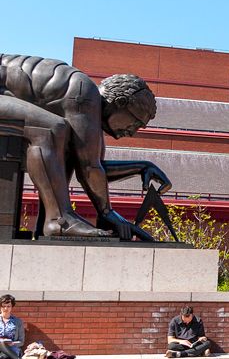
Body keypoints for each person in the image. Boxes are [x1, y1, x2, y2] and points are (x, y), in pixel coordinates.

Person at [0, 55, 169, 239]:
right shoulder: (85, 94)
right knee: (50, 129)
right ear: (120, 102)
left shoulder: (87, 111)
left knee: (65, 144)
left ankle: (49, 222)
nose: (132, 132)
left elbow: (92, 167)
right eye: (134, 123)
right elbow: (89, 167)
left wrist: (141, 167)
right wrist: (108, 213)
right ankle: (58, 220)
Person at [0, 294, 29, 359]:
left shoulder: (18, 322)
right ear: (0, 307)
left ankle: (5, 358)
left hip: (12, 349)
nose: (6, 308)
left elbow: (21, 341)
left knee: (3, 357)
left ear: (12, 307)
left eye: (8, 306)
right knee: (1, 342)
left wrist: (12, 343)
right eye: (3, 306)